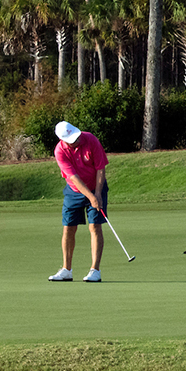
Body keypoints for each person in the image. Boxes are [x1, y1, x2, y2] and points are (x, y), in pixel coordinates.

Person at [50, 119, 108, 282]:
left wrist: (97, 193)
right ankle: (66, 269)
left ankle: (95, 270)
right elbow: (74, 178)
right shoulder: (60, 152)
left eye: (76, 136)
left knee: (95, 226)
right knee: (68, 228)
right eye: (73, 140)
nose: (77, 140)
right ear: (63, 141)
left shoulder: (90, 139)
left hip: (97, 185)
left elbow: (100, 168)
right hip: (74, 191)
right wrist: (90, 197)